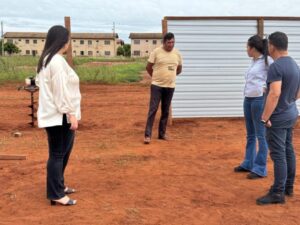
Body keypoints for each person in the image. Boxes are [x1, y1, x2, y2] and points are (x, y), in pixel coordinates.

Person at [36, 25, 81, 206]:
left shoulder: (47, 59)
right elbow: (61, 92)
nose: (69, 43)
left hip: (54, 115)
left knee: (61, 153)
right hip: (59, 116)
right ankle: (55, 193)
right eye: (69, 39)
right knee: (57, 154)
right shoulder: (56, 61)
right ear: (63, 41)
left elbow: (43, 84)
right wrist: (71, 114)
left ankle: (58, 186)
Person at [256, 31, 300, 205]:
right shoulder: (295, 65)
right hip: (291, 113)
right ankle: (288, 187)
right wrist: (287, 101)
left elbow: (274, 93)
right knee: (288, 150)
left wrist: (264, 118)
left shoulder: (276, 66)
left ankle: (277, 193)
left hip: (278, 117)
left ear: (272, 46)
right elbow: (297, 93)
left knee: (279, 154)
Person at [234, 35, 272, 179]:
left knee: (260, 135)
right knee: (250, 134)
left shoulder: (268, 61)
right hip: (248, 99)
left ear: (253, 48)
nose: (246, 49)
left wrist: (266, 89)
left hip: (259, 100)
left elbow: (276, 78)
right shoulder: (254, 61)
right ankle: (248, 163)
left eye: (247, 47)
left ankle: (260, 168)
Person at [144, 32, 182, 144]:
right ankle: (147, 135)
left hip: (170, 86)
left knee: (165, 111)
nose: (171, 44)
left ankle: (162, 134)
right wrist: (155, 78)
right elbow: (148, 67)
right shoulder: (156, 52)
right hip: (157, 86)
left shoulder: (177, 54)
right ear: (164, 42)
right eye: (169, 42)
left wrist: (171, 77)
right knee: (153, 109)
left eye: (173, 42)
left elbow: (179, 69)